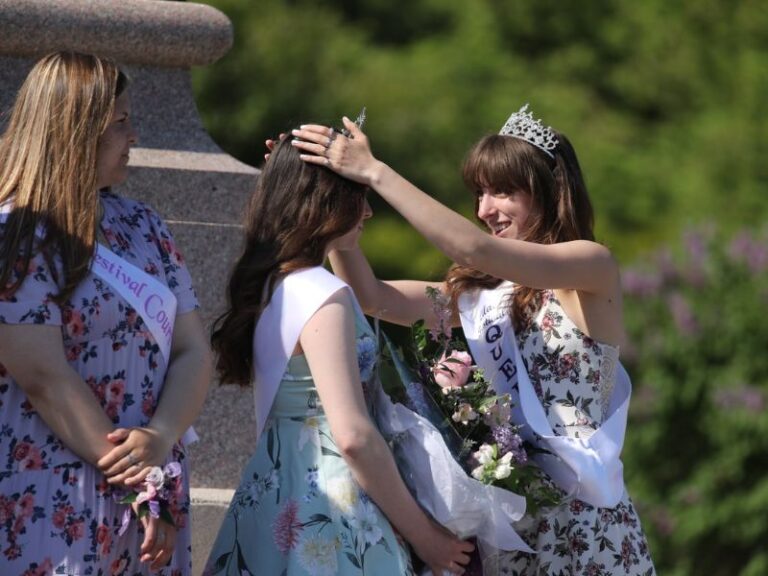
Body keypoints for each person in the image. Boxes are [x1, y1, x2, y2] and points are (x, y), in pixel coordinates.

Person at [290, 105, 657, 575]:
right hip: (515, 531)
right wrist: (341, 203)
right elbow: (371, 296)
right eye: (479, 194)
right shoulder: (486, 295)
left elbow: (474, 246)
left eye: (503, 191)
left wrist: (375, 171)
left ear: (547, 192)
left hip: (588, 525)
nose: (484, 209)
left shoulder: (592, 267)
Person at [202, 133, 474, 576]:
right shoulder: (323, 296)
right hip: (331, 509)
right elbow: (352, 436)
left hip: (273, 493)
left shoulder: (276, 284)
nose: (367, 211)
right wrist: (427, 539)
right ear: (327, 200)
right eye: (357, 198)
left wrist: (290, 176)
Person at [0, 51, 211, 574]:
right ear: (76, 130)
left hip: (150, 489)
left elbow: (192, 349)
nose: (133, 135)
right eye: (119, 121)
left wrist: (160, 437)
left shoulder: (145, 224)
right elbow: (45, 377)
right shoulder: (16, 234)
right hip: (55, 486)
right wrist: (143, 490)